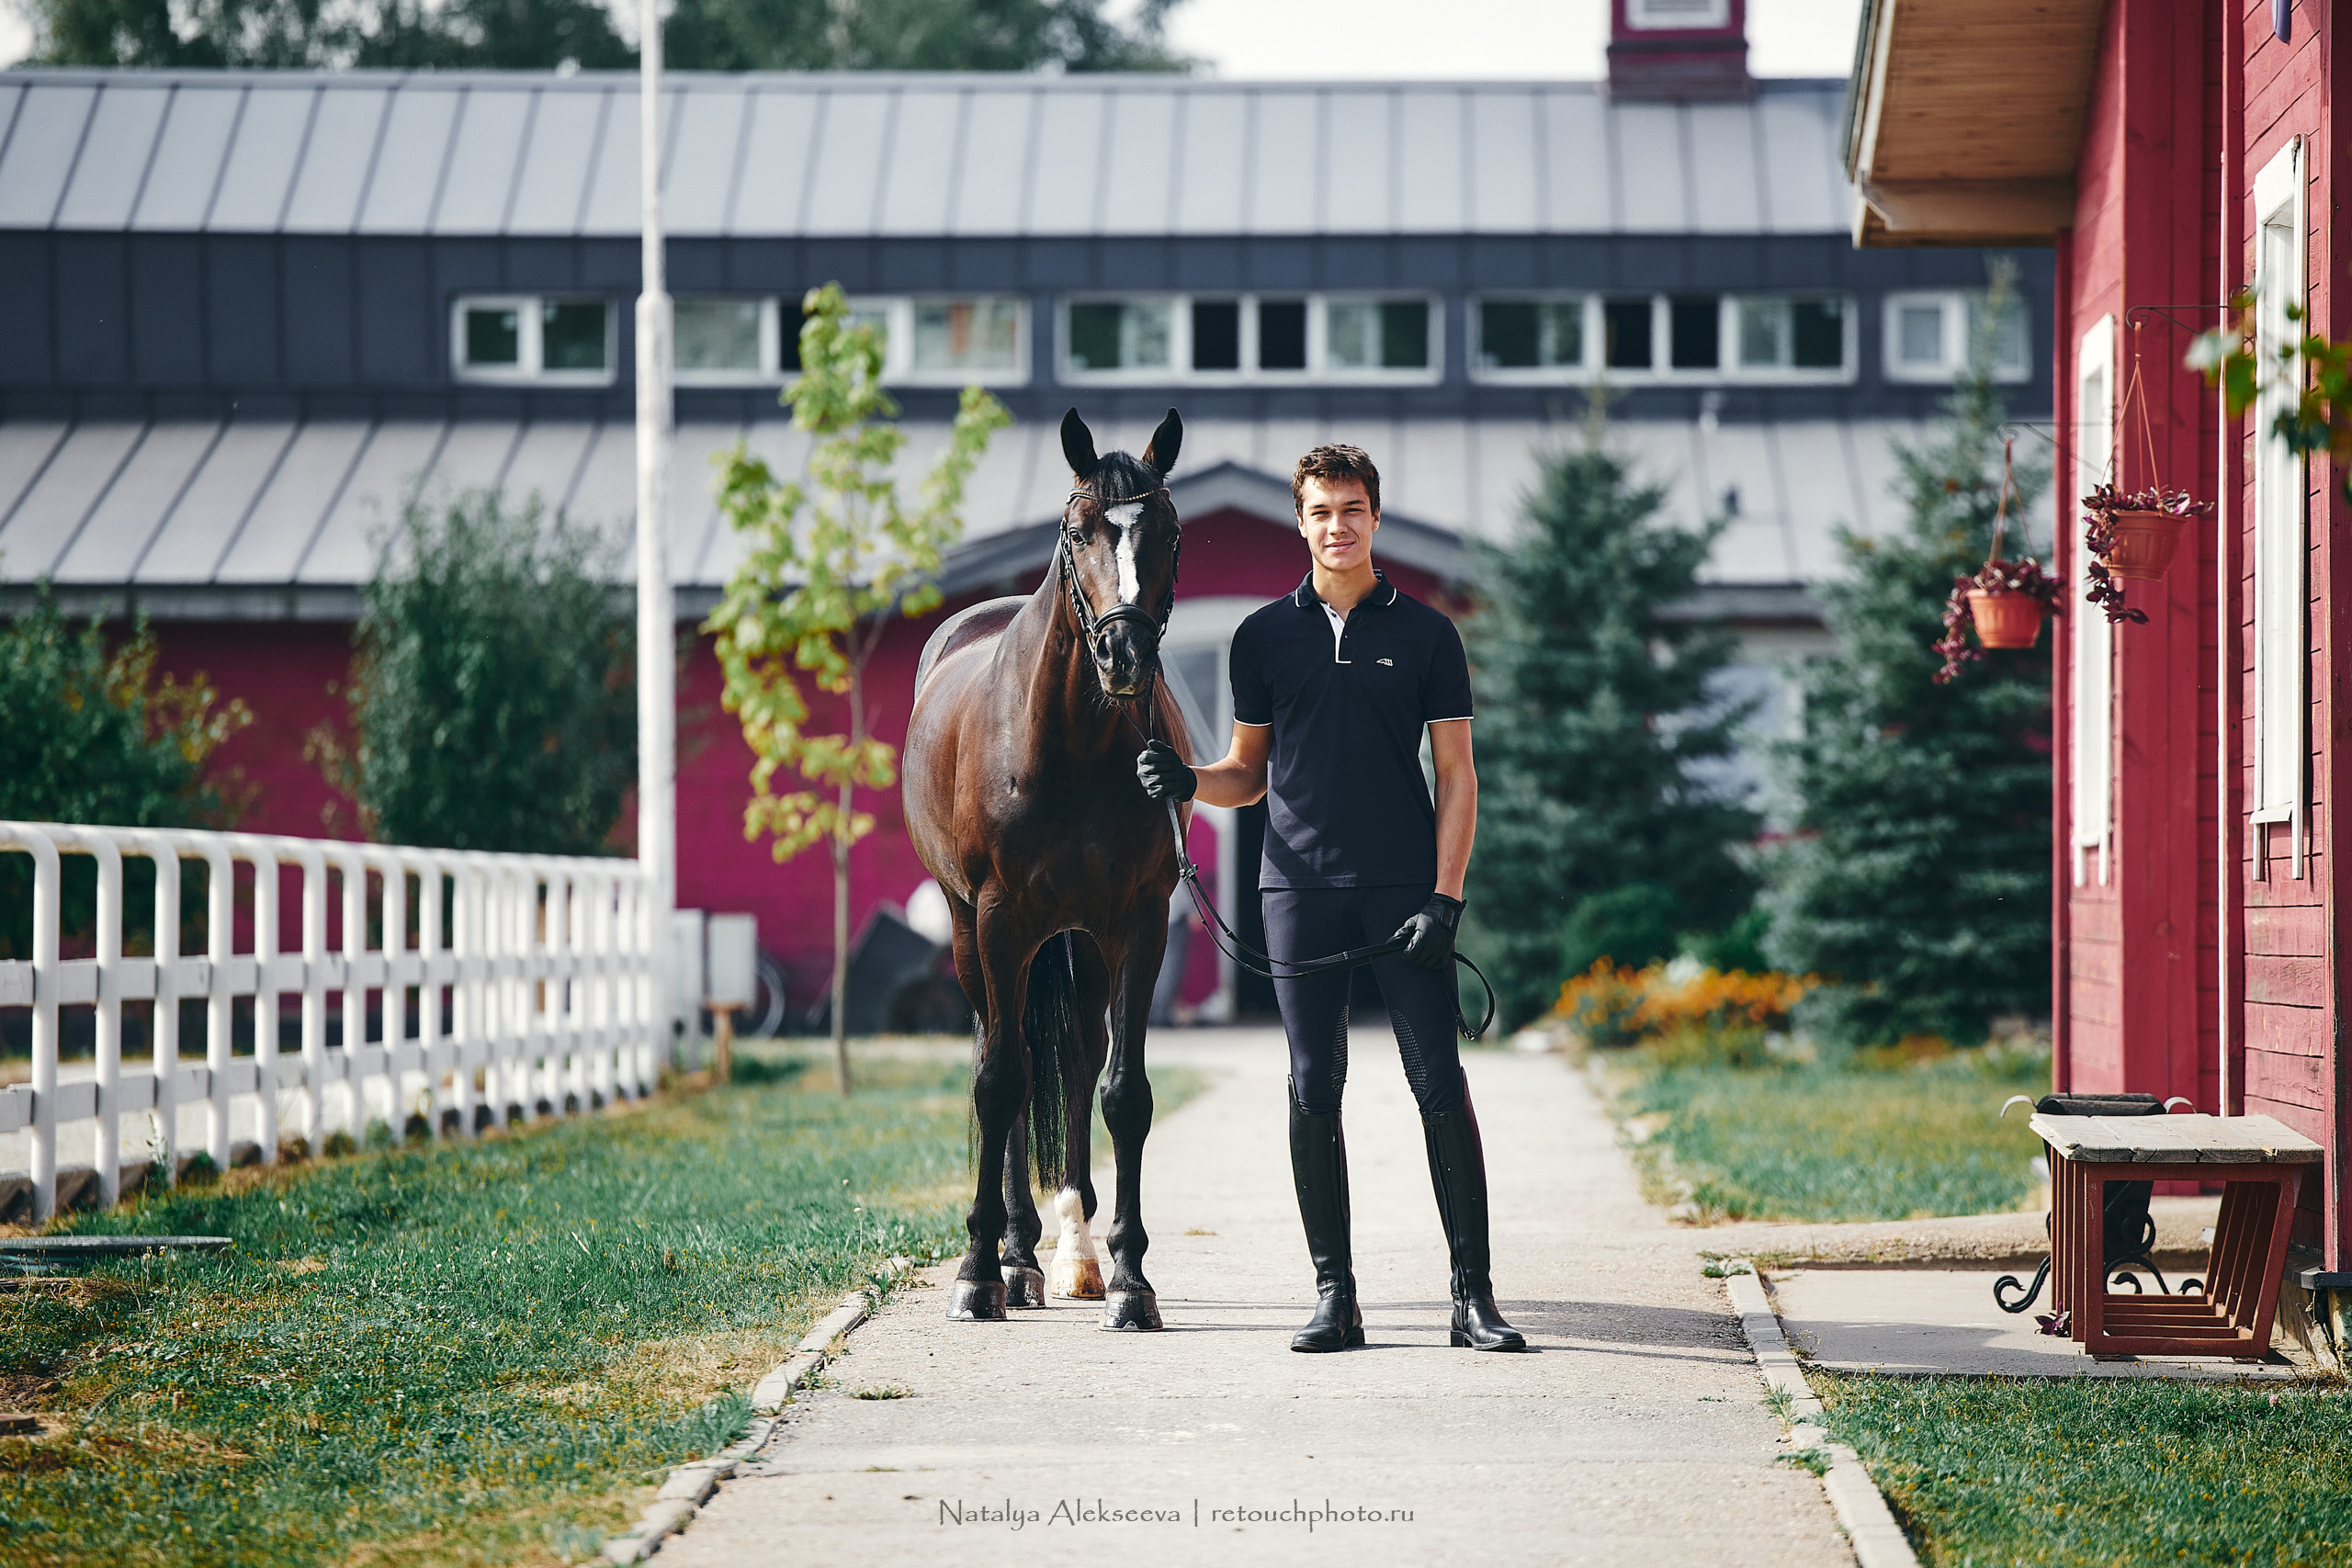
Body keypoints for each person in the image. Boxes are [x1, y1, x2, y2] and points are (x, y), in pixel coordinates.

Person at [1136, 445, 1525, 1355]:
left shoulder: (1427, 635)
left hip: (1404, 897)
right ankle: (1334, 1296)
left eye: (1351, 509)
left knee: (1438, 1080)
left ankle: (1473, 1299)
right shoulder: (1263, 638)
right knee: (1314, 1085)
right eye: (1319, 511)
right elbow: (1244, 773)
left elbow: (1458, 776)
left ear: (1374, 517)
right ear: (1301, 521)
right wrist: (1186, 780)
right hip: (1296, 890)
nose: (1336, 526)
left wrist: (1445, 898)